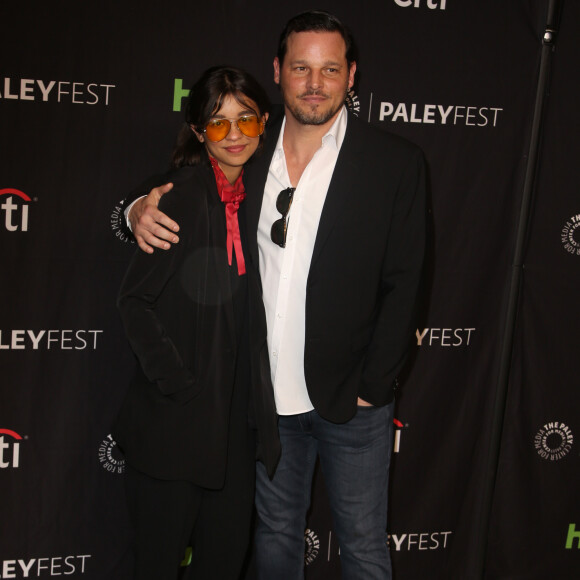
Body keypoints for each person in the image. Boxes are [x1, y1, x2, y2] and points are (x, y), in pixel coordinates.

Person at [125, 10, 427, 580]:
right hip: (263, 406)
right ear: (279, 72)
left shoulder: (396, 163)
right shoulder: (246, 150)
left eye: (329, 69)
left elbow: (407, 281)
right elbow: (171, 187)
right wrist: (136, 210)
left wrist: (373, 387)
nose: (315, 83)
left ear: (351, 75)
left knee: (363, 547)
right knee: (276, 538)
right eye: (301, 68)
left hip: (352, 405)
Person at [113, 65, 277, 580]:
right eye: (218, 122)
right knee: (157, 566)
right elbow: (134, 301)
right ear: (199, 130)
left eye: (245, 121)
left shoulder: (268, 199)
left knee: (224, 566)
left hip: (238, 434)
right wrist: (177, 383)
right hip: (173, 430)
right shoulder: (178, 197)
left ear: (264, 125)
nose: (233, 135)